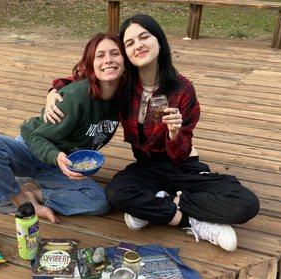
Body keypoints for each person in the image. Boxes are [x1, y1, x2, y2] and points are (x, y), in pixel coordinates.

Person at [44, 15, 259, 251]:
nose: (138, 45)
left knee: (246, 205)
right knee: (116, 193)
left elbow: (181, 153)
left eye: (144, 37)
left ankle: (159, 202)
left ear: (159, 41)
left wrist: (175, 134)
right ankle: (191, 221)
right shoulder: (124, 83)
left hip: (183, 165)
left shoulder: (182, 89)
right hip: (146, 166)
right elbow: (85, 78)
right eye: (129, 43)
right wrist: (54, 90)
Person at [0, 33, 125, 224]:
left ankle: (33, 192)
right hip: (31, 150)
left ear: (125, 60)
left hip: (61, 165)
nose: (108, 60)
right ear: (90, 64)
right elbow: (37, 137)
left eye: (115, 53)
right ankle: (19, 201)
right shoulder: (76, 98)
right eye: (100, 56)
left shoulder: (123, 98)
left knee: (101, 201)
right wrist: (55, 156)